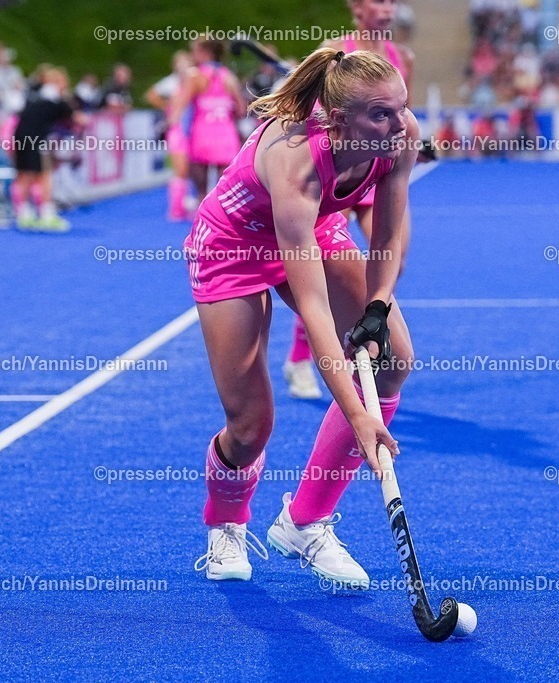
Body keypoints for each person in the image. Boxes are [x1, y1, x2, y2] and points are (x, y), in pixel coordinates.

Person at [186, 47, 418, 585]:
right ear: (338, 120)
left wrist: (378, 306)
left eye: (402, 108)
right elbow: (313, 308)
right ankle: (225, 522)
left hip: (313, 228)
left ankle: (304, 521)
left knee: (394, 360)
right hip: (233, 245)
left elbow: (387, 239)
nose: (399, 123)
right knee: (251, 425)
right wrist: (359, 417)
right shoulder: (296, 160)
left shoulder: (400, 136)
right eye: (381, 114)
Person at [282, 0, 417, 400]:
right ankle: (302, 358)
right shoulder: (336, 50)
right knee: (321, 268)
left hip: (377, 170)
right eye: (378, 0)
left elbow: (400, 115)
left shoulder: (402, 57)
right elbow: (316, 122)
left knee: (393, 258)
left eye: (392, 1)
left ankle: (369, 332)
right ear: (356, 6)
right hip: (338, 172)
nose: (388, 8)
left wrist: (414, 144)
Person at [11, 67, 85, 231]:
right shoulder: (55, 98)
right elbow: (77, 118)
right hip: (33, 138)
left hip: (22, 135)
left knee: (26, 175)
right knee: (42, 175)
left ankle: (24, 213)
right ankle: (45, 214)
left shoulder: (36, 94)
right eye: (63, 81)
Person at [171, 37, 243, 204]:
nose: (192, 55)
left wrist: (171, 126)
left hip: (202, 135)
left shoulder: (195, 76)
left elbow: (179, 106)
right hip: (226, 135)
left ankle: (200, 215)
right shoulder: (228, 76)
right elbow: (240, 109)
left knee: (201, 191)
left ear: (205, 53)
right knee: (225, 191)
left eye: (194, 51)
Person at [145, 51, 194, 222]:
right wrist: (167, 106)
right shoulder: (171, 82)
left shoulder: (194, 80)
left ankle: (184, 202)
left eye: (186, 62)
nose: (183, 67)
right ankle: (176, 209)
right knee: (180, 169)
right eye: (180, 63)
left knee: (190, 169)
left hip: (192, 130)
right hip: (177, 130)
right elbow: (151, 95)